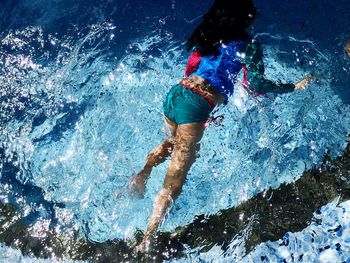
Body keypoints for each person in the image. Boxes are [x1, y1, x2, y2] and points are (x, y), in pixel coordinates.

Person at [130, 0, 312, 252]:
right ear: (244, 20)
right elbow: (257, 84)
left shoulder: (209, 36)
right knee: (175, 182)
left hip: (177, 94)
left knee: (173, 144)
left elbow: (191, 68)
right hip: (195, 105)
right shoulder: (250, 46)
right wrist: (290, 87)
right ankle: (147, 238)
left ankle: (144, 172)